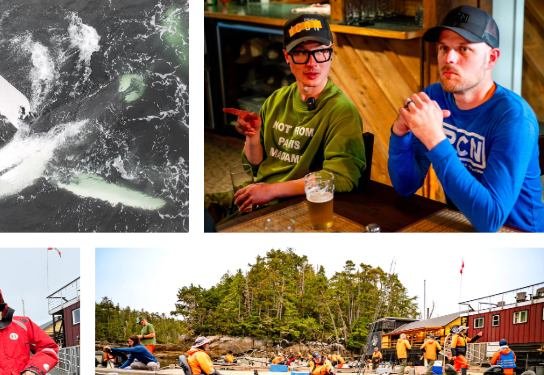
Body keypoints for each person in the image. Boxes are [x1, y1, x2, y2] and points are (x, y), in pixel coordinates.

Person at [388, 6, 544, 234]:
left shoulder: (515, 119)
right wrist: (399, 135)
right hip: (459, 222)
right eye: (444, 48)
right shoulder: (434, 97)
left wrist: (434, 139)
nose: (449, 58)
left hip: (518, 236)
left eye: (464, 49)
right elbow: (406, 186)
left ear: (491, 58)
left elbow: (490, 220)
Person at [214, 14, 365, 219]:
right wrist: (253, 136)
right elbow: (254, 165)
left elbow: (342, 177)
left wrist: (271, 191)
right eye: (301, 53)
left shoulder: (342, 112)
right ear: (287, 56)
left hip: (287, 207)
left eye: (320, 52)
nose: (312, 63)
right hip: (256, 195)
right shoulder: (277, 99)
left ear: (330, 53)